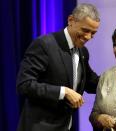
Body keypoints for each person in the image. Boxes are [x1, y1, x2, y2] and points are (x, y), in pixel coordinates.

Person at [16, 3, 100, 131]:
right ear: (71, 20)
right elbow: (24, 84)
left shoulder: (83, 52)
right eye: (85, 30)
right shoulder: (44, 45)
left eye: (93, 33)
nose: (88, 37)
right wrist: (63, 92)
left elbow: (92, 83)